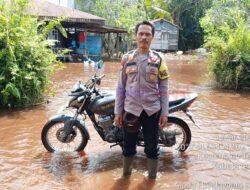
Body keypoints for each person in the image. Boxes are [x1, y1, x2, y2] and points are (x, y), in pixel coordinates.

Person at [114, 21, 169, 180]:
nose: (144, 37)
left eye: (147, 34)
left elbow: (164, 89)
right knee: (128, 146)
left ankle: (151, 179)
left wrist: (164, 112)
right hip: (130, 109)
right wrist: (118, 112)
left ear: (152, 37)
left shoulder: (159, 59)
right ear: (136, 36)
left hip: (152, 110)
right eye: (141, 34)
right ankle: (126, 178)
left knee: (152, 148)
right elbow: (120, 87)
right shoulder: (127, 58)